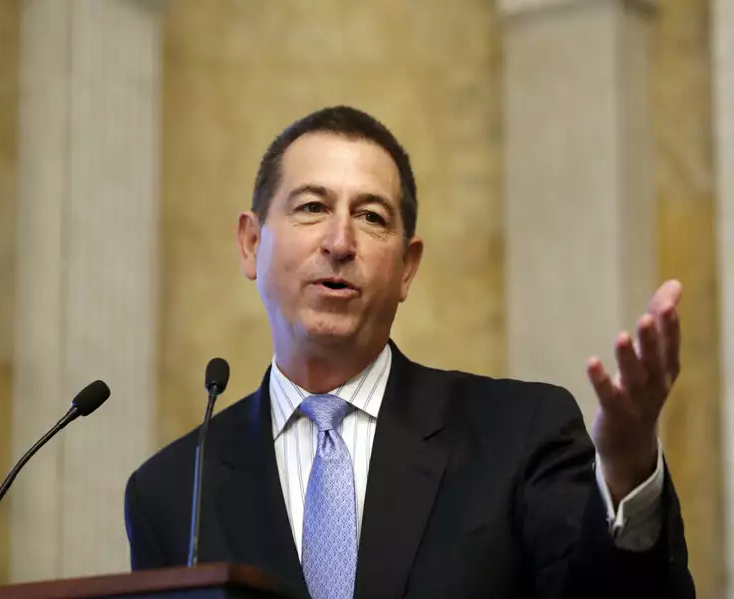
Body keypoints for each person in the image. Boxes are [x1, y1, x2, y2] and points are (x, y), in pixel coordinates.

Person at [124, 106, 695, 599]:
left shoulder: (519, 435)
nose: (340, 243)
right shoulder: (172, 492)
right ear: (252, 243)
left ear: (407, 267)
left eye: (371, 217)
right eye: (312, 207)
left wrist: (627, 471)